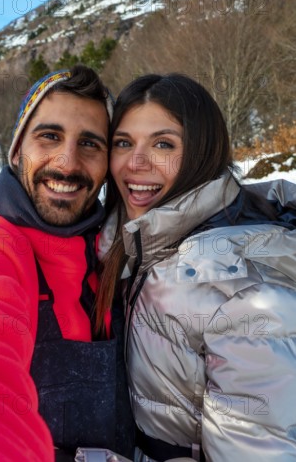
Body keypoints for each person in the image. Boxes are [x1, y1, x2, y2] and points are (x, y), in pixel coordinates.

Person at [0, 65, 134, 462]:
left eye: (90, 143)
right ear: (17, 148)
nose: (67, 162)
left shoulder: (112, 254)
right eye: (50, 136)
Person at [96, 73, 296, 462]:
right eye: (123, 143)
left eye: (163, 144)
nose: (136, 163)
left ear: (202, 151)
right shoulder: (138, 241)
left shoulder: (241, 294)